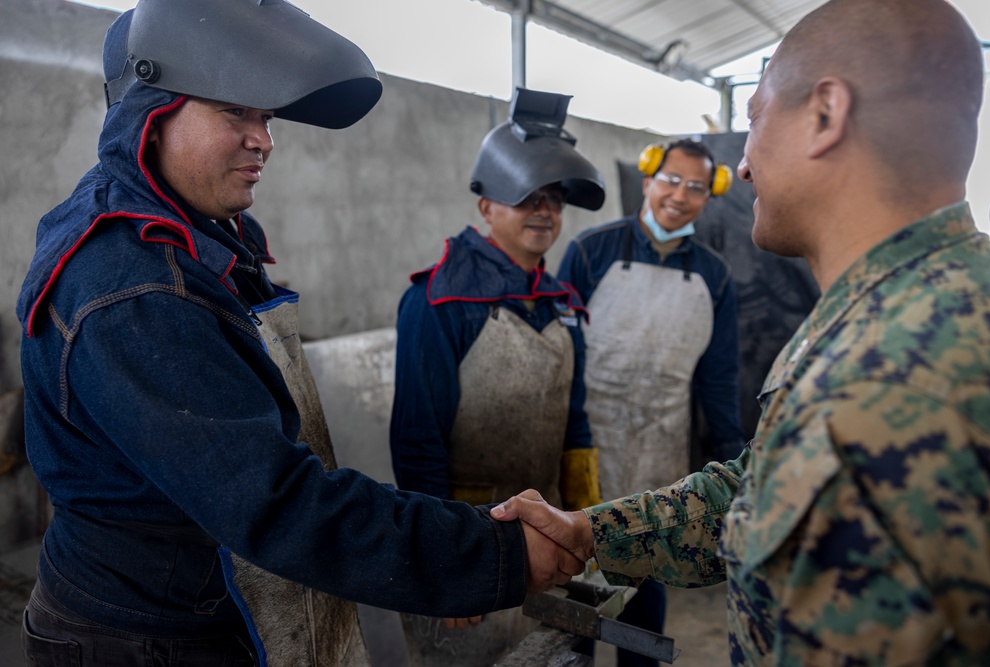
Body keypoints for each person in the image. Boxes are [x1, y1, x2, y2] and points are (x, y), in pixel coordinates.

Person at [15, 2, 583, 666]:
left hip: (198, 598)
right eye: (237, 111)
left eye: (267, 117)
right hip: (143, 635)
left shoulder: (191, 244)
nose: (264, 139)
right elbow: (279, 502)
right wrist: (490, 555)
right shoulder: (133, 287)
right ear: (153, 109)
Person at [492, 0, 990, 663]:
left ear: (824, 115)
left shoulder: (893, 374)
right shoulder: (887, 315)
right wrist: (589, 529)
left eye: (755, 118)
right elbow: (757, 488)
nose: (750, 166)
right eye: (670, 180)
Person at [389, 87, 605, 667]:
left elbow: (575, 424)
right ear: (486, 207)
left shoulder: (563, 302)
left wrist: (587, 526)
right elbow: (417, 441)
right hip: (470, 542)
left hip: (551, 539)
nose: (544, 211)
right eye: (526, 197)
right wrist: (445, 566)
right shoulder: (439, 300)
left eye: (555, 199)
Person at [556, 137, 744, 666]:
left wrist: (736, 472)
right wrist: (565, 445)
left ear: (710, 197)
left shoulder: (715, 275)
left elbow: (718, 381)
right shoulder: (591, 251)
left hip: (659, 454)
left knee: (645, 588)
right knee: (574, 598)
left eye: (696, 188)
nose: (679, 196)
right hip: (588, 450)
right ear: (647, 182)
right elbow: (560, 360)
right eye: (670, 180)